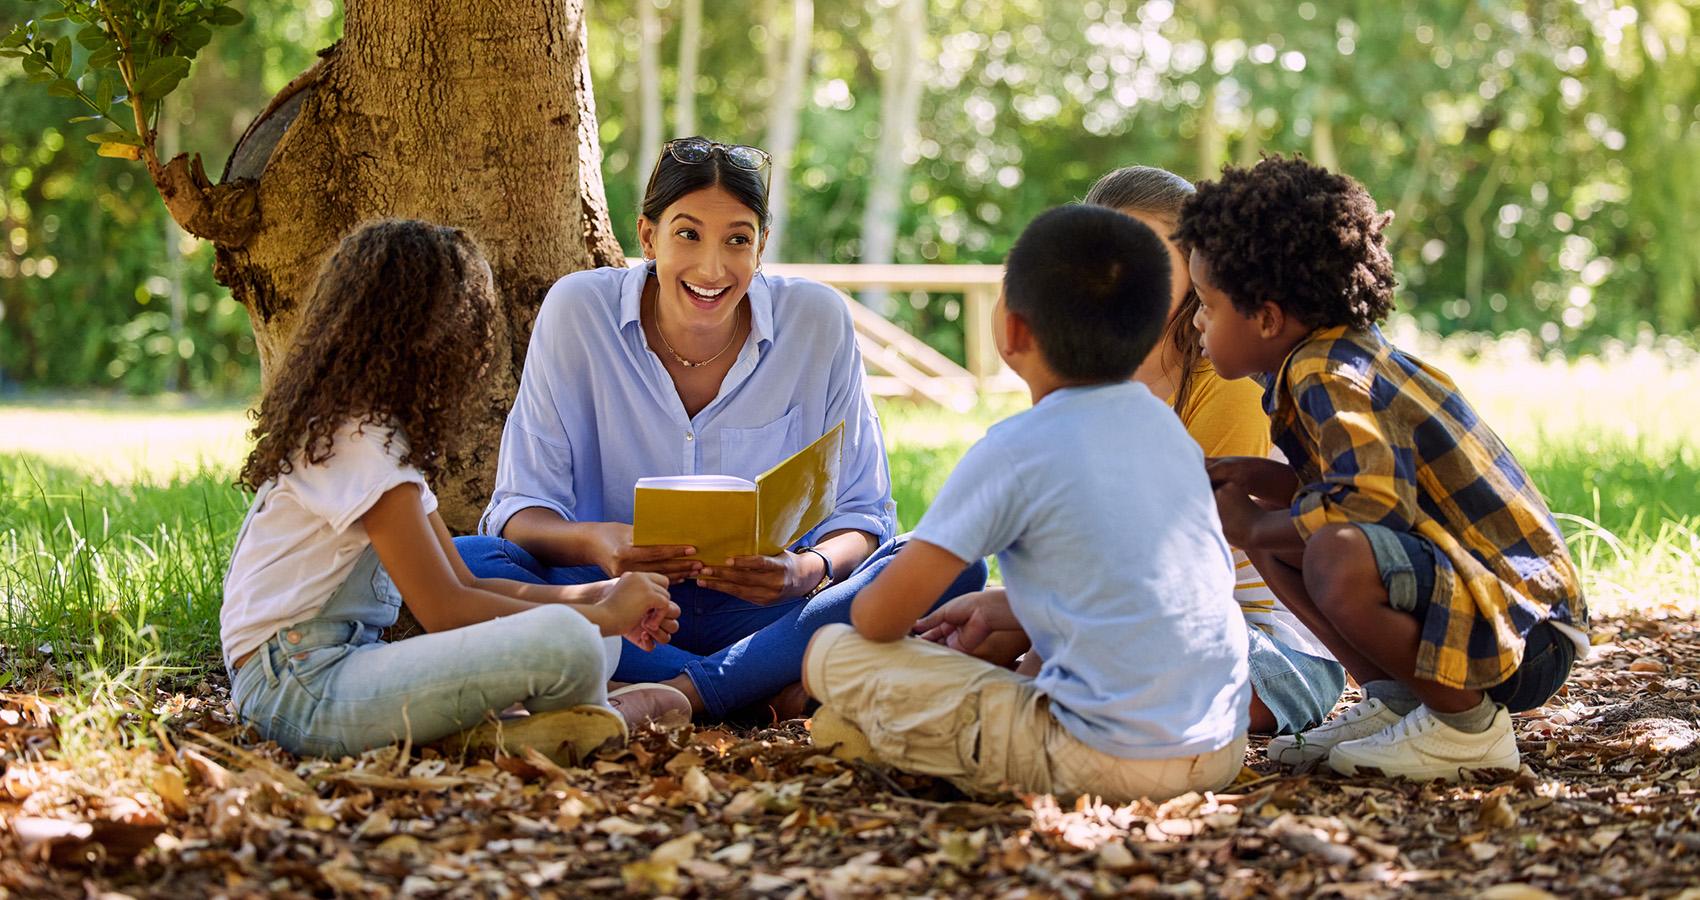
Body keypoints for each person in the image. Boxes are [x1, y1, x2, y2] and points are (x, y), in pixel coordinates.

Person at [454, 137, 986, 720]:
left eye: (737, 240)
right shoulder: (579, 310)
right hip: (621, 604)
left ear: (761, 245)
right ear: (647, 235)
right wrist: (603, 544)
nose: (712, 267)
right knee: (468, 562)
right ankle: (759, 684)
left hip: (770, 609)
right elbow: (519, 511)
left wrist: (803, 570)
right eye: (687, 234)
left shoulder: (816, 320)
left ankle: (682, 692)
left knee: (953, 563)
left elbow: (865, 515)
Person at [802, 205, 1250, 804]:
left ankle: (901, 739)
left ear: (1012, 331)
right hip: (1223, 744)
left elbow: (877, 619)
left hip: (1103, 759)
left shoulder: (1015, 448)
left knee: (832, 654)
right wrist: (1010, 606)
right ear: (1151, 330)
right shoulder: (1168, 430)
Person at [1179, 156, 1590, 780]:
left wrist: (1256, 528)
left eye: (1206, 304)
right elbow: (1362, 486)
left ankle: (1468, 731)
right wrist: (1251, 479)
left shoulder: (1328, 373)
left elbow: (1368, 510)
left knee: (1330, 551)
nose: (1197, 322)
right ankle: (1401, 701)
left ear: (1265, 317)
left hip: (1520, 632)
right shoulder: (1321, 359)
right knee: (1295, 529)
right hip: (1489, 614)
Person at [221, 219, 684, 766]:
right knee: (576, 643)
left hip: (334, 669)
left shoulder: (381, 442)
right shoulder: (358, 443)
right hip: (295, 689)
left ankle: (512, 730)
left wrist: (600, 600)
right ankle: (518, 728)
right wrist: (601, 617)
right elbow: (445, 609)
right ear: (434, 336)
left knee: (591, 640)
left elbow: (466, 580)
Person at [1083, 165, 1346, 737]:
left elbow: (1189, 568)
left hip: (1266, 645)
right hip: (1131, 621)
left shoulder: (1222, 389)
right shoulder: (1086, 385)